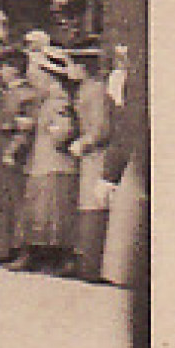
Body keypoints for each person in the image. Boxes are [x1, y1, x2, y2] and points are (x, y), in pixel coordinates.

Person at [9, 46, 81, 275]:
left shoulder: (59, 102)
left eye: (37, 73)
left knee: (52, 213)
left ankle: (56, 258)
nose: (33, 78)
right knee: (39, 211)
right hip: (41, 163)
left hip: (54, 164)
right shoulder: (45, 101)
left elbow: (64, 133)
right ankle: (37, 255)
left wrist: (50, 129)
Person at [0, 46, 41, 266]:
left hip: (15, 151)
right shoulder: (6, 92)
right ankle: (4, 249)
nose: (1, 71)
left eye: (4, 66)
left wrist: (13, 150)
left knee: (17, 200)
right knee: (2, 200)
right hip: (1, 146)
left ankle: (21, 250)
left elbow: (25, 129)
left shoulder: (27, 95)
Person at [69, 44, 113, 282]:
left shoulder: (94, 91)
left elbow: (100, 128)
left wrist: (83, 142)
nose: (68, 70)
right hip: (88, 155)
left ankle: (91, 265)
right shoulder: (86, 89)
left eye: (71, 64)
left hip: (95, 155)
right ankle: (86, 262)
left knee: (93, 205)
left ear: (82, 67)